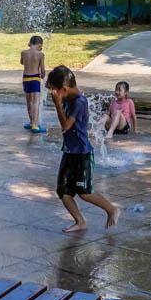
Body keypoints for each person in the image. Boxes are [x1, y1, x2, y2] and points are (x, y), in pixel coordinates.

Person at [47, 65, 120, 233]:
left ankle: (111, 209)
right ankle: (80, 221)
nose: (53, 94)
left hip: (82, 153)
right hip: (69, 152)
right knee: (64, 192)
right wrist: (51, 83)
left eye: (55, 91)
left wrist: (58, 105)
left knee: (84, 193)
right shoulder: (66, 95)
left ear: (64, 89)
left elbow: (65, 126)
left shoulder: (79, 102)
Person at [20, 35, 46, 134]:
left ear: (29, 43)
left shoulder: (23, 52)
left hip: (26, 78)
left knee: (29, 102)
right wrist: (43, 75)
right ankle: (35, 125)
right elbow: (42, 70)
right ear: (39, 45)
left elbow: (22, 63)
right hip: (35, 78)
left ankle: (31, 122)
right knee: (36, 102)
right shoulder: (40, 54)